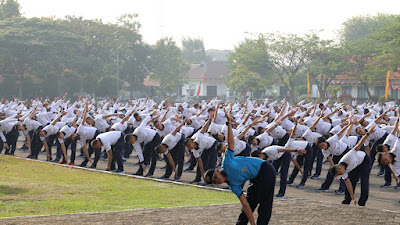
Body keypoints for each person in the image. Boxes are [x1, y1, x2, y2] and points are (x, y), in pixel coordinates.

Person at [204, 108, 276, 225]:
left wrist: (228, 123)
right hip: (255, 177)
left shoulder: (226, 162)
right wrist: (252, 222)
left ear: (217, 171)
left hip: (265, 170)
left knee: (265, 204)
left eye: (215, 178)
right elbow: (245, 204)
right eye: (214, 182)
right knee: (249, 203)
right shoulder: (233, 185)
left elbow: (231, 143)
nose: (216, 181)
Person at [329, 125, 375, 206]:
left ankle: (362, 202)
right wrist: (353, 197)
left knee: (364, 180)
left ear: (339, 168)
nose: (341, 175)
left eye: (339, 174)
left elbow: (360, 143)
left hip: (364, 160)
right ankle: (347, 200)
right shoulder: (342, 171)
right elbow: (348, 183)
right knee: (352, 180)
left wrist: (368, 133)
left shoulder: (348, 156)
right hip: (355, 165)